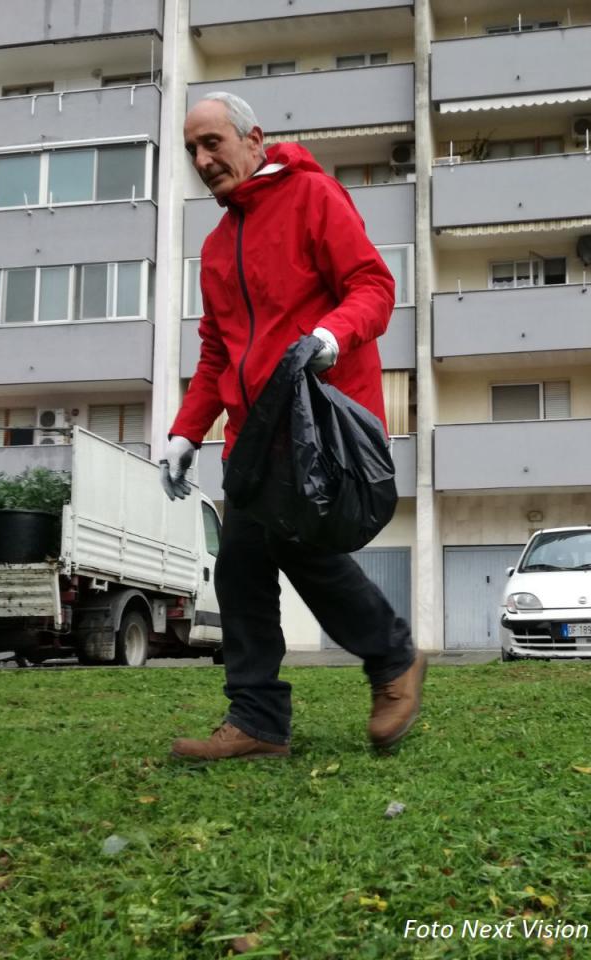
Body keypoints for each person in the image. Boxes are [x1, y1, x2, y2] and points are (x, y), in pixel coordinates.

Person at [160, 92, 424, 762]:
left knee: (302, 553)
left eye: (213, 142)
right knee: (242, 567)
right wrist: (187, 431)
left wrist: (330, 337)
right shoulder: (218, 248)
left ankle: (391, 661)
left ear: (254, 139)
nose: (203, 159)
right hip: (253, 435)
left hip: (321, 423)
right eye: (193, 149)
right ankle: (259, 720)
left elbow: (374, 286)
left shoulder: (315, 197)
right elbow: (218, 349)